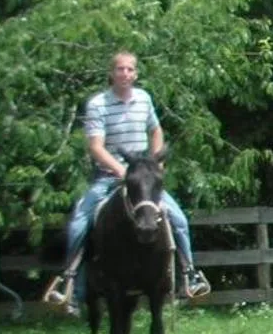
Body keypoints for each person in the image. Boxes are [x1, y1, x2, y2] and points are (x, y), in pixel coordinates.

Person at [43, 50, 209, 312]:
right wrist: (122, 171)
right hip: (109, 177)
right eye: (120, 69)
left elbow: (156, 130)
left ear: (136, 74)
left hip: (142, 178)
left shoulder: (144, 99)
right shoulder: (98, 104)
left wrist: (155, 164)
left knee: (178, 220)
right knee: (79, 223)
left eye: (130, 69)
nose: (125, 73)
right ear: (111, 73)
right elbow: (96, 147)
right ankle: (70, 285)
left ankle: (189, 276)